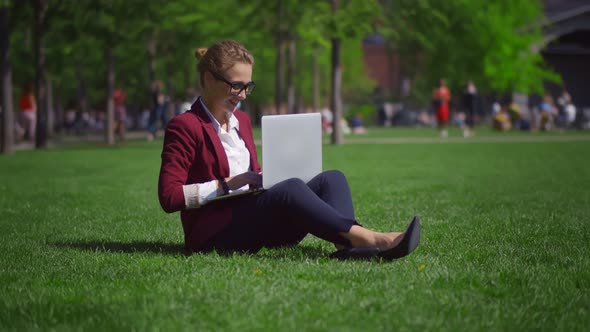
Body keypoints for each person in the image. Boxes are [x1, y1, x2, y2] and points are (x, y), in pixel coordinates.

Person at [157, 40, 420, 260]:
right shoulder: (185, 126)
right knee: (291, 188)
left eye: (247, 86)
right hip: (215, 234)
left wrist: (264, 177)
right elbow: (169, 197)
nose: (243, 95)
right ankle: (369, 238)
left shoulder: (243, 122)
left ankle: (347, 247)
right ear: (207, 79)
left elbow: (251, 176)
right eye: (235, 85)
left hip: (254, 221)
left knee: (332, 178)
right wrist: (226, 184)